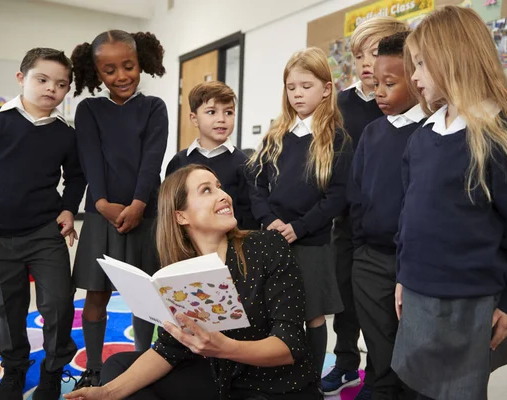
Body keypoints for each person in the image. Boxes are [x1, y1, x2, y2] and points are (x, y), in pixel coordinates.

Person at [64, 164, 321, 400]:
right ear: (180, 217)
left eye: (219, 186)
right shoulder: (180, 273)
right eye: (207, 190)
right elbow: (170, 348)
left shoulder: (268, 245)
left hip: (275, 387)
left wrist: (226, 348)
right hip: (218, 378)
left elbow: (290, 345)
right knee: (117, 367)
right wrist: (108, 392)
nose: (223, 195)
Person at [392, 6, 507, 400]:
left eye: (422, 64)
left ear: (454, 58)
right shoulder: (421, 136)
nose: (414, 75)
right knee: (414, 387)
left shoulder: (499, 134)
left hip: (468, 301)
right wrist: (403, 277)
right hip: (417, 290)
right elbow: (410, 217)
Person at [0, 47, 85, 399]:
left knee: (58, 303)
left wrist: (69, 209)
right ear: (21, 78)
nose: (50, 89)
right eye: (41, 79)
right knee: (8, 306)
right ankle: (14, 370)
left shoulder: (65, 133)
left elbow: (75, 177)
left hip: (46, 232)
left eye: (60, 84)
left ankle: (53, 371)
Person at [70, 29, 168, 388]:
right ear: (97, 73)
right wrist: (101, 203)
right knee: (96, 294)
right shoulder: (89, 109)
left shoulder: (154, 108)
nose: (121, 76)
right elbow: (90, 160)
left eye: (129, 66)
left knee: (147, 297)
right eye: (110, 70)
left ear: (142, 62)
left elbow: (152, 161)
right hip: (101, 217)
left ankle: (145, 363)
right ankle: (93, 368)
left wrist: (139, 204)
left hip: (146, 216)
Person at [247, 47, 352, 375]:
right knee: (272, 309)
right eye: (291, 87)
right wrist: (269, 220)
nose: (297, 94)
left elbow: (336, 197)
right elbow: (257, 186)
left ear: (326, 88)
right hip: (272, 238)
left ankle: (312, 382)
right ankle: (276, 376)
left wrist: (299, 228)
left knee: (312, 314)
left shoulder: (336, 140)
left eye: (306, 86)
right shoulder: (275, 136)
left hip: (311, 242)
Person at [324, 17, 409, 396]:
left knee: (386, 314)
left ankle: (380, 372)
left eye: (374, 52)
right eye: (359, 54)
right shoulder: (342, 104)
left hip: (391, 229)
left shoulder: (405, 108)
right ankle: (345, 362)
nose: (365, 62)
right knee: (347, 295)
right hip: (350, 219)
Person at [350, 31, 423, 400]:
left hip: (412, 261)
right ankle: (378, 387)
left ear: (416, 78)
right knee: (378, 342)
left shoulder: (428, 132)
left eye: (389, 84)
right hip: (371, 259)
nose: (378, 92)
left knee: (410, 351)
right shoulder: (372, 133)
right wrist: (361, 247)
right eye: (375, 83)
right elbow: (357, 194)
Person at [165, 81, 259, 230]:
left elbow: (249, 216)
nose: (221, 119)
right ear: (194, 119)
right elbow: (169, 210)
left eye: (228, 112)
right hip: (188, 246)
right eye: (211, 112)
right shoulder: (178, 162)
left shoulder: (245, 164)